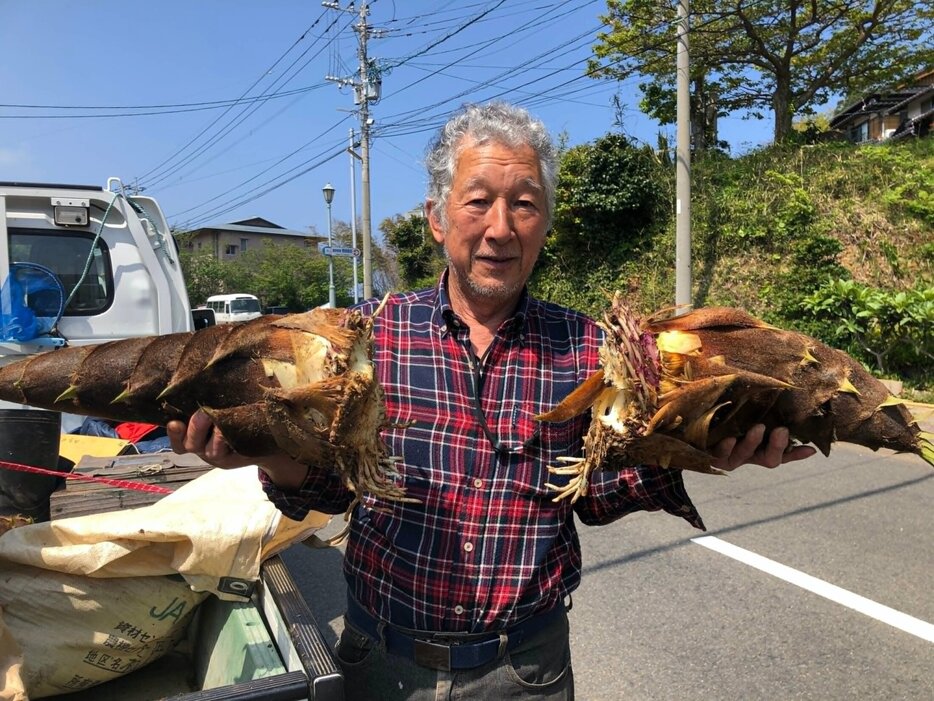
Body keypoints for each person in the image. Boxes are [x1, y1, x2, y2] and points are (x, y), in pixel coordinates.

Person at [168, 101, 816, 700]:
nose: (500, 229)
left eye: (525, 204)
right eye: (478, 201)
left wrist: (702, 448)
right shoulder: (368, 338)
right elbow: (335, 488)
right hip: (384, 662)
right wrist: (266, 457)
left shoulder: (586, 349)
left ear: (547, 220)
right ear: (436, 216)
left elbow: (593, 490)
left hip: (526, 669)